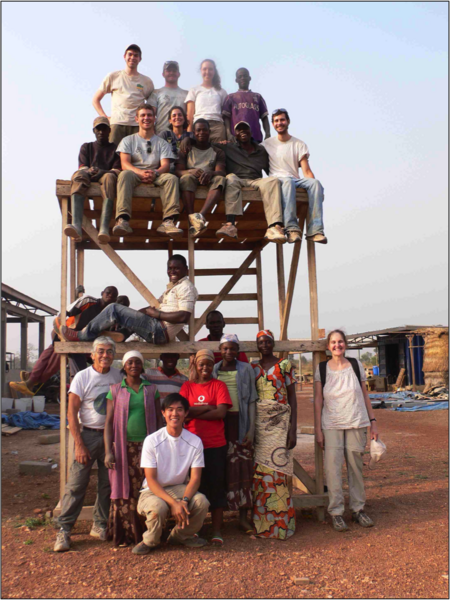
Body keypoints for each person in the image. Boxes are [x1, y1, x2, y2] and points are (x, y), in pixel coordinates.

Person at [54, 337, 122, 552]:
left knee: (106, 484)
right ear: (92, 355)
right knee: (76, 484)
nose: (105, 355)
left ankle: (99, 524)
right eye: (100, 351)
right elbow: (71, 413)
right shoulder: (82, 377)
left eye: (109, 351)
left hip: (111, 437)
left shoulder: (117, 375)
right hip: (88, 435)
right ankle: (64, 530)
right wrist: (79, 444)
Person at [314, 330, 379, 532]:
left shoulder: (356, 365)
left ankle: (358, 509)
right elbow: (318, 400)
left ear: (345, 344)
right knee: (333, 471)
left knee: (355, 468)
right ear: (328, 345)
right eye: (333, 342)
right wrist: (318, 429)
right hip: (331, 424)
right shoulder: (321, 369)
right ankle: (336, 512)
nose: (337, 345)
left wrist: (373, 422)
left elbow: (365, 395)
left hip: (356, 422)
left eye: (340, 341)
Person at [58, 255, 198, 345]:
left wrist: (158, 314)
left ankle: (82, 335)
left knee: (113, 308)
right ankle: (121, 333)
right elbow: (153, 308)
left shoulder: (186, 287)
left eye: (177, 268)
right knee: (126, 313)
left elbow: (184, 316)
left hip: (159, 330)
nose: (172, 271)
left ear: (186, 269)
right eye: (170, 268)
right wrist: (135, 314)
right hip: (157, 326)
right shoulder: (173, 287)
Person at [133, 393, 209, 554]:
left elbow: (195, 478)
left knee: (202, 502)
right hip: (153, 491)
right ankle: (150, 541)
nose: (175, 414)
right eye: (170, 409)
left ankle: (180, 536)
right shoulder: (152, 440)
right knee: (158, 507)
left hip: (179, 488)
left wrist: (184, 500)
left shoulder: (194, 441)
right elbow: (151, 480)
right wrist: (174, 503)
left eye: (180, 410)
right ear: (163, 413)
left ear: (186, 413)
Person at [11, 287, 119, 397]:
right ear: (102, 293)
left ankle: (31, 379)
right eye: (108, 292)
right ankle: (31, 381)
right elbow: (65, 312)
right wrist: (60, 329)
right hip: (66, 332)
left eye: (113, 295)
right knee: (52, 357)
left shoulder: (108, 314)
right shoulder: (89, 301)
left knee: (53, 360)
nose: (110, 295)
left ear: (115, 299)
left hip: (78, 339)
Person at [104, 350, 163, 547]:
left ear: (142, 365)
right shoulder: (115, 390)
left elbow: (159, 419)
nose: (134, 365)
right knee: (124, 487)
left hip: (147, 447)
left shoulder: (151, 389)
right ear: (124, 366)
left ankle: (146, 533)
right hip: (122, 448)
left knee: (145, 486)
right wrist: (108, 451)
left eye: (137, 362)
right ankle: (125, 534)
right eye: (130, 362)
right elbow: (109, 422)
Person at [180, 349, 232, 545]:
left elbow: (221, 414)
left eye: (209, 364)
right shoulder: (187, 386)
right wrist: (209, 407)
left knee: (216, 486)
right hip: (191, 445)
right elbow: (183, 411)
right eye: (201, 364)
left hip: (215, 444)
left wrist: (194, 412)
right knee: (195, 487)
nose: (205, 367)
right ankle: (197, 529)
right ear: (195, 365)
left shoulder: (219, 385)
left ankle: (217, 530)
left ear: (213, 366)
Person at [251, 330, 297, 540]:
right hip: (261, 426)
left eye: (268, 342)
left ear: (273, 344)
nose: (265, 345)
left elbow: (293, 399)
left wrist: (293, 429)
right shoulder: (253, 368)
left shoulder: (285, 365)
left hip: (280, 426)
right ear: (257, 345)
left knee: (278, 474)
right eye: (261, 342)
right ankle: (263, 525)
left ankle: (281, 525)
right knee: (261, 474)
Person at [113, 103, 182, 238]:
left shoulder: (162, 143)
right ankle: (122, 220)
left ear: (154, 118)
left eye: (149, 115)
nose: (146, 118)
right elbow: (125, 164)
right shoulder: (128, 140)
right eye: (142, 115)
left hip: (156, 174)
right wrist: (140, 172)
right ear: (137, 119)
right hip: (134, 173)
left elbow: (165, 165)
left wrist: (155, 173)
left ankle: (168, 222)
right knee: (124, 174)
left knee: (172, 178)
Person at [213, 334, 257, 532]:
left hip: (241, 422)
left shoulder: (246, 369)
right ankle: (219, 518)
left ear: (238, 350)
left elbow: (252, 401)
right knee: (221, 469)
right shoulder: (215, 370)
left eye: (232, 349)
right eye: (224, 349)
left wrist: (251, 429)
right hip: (220, 424)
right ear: (220, 350)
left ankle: (243, 517)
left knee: (243, 468)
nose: (228, 352)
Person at [262, 109, 327, 244]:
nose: (279, 123)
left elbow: (306, 170)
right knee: (287, 182)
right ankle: (291, 228)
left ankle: (316, 230)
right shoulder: (267, 144)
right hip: (278, 180)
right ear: (273, 124)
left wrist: (317, 192)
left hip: (294, 179)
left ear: (288, 121)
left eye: (282, 120)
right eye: (276, 121)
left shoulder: (299, 144)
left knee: (315, 183)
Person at [216, 121, 286, 243]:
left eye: (245, 129)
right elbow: (206, 144)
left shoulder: (261, 150)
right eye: (239, 130)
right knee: (230, 178)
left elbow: (271, 170)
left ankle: (274, 226)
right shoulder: (229, 147)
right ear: (235, 135)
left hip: (256, 180)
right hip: (238, 179)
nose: (242, 131)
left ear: (251, 132)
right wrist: (188, 140)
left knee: (273, 181)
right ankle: (230, 225)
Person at [64, 117, 121, 244]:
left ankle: (104, 229)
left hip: (106, 177)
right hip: (88, 177)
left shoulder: (115, 149)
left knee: (110, 177)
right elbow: (82, 166)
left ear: (109, 130)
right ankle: (77, 226)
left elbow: (117, 170)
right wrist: (89, 171)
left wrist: (103, 172)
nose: (101, 132)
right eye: (98, 129)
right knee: (78, 175)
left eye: (104, 129)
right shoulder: (86, 147)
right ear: (94, 131)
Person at [93, 44, 154, 147]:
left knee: (137, 157)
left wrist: (149, 123)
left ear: (140, 59)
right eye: (130, 54)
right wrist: (104, 117)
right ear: (124, 56)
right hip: (117, 124)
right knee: (113, 155)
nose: (132, 58)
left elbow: (152, 106)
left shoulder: (146, 81)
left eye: (136, 55)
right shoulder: (113, 76)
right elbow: (96, 99)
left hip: (137, 125)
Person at [175, 119, 226, 237]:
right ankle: (191, 217)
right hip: (191, 179)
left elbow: (221, 172)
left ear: (209, 131)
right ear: (193, 132)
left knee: (220, 179)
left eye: (204, 130)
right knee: (185, 178)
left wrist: (211, 173)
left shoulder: (217, 151)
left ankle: (200, 216)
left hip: (209, 180)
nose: (201, 132)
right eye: (198, 130)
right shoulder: (186, 148)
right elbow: (177, 171)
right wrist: (190, 171)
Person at [222, 68, 270, 143]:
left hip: (255, 138)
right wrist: (228, 134)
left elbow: (264, 118)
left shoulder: (257, 97)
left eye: (245, 76)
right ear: (236, 80)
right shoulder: (230, 97)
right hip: (236, 139)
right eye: (240, 77)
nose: (243, 78)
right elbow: (226, 118)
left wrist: (268, 134)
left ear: (249, 78)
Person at [185, 59, 228, 143]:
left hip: (217, 128)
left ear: (214, 71)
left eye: (210, 69)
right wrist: (189, 134)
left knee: (218, 153)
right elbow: (189, 115)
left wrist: (228, 135)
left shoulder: (222, 92)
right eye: (204, 69)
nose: (207, 72)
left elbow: (226, 115)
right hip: (199, 127)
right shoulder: (194, 90)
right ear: (201, 71)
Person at [149, 61, 188, 136]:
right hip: (161, 134)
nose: (171, 73)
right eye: (168, 71)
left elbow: (189, 115)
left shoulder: (187, 94)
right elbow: (150, 114)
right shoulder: (156, 92)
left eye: (174, 71)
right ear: (163, 74)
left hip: (181, 136)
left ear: (179, 74)